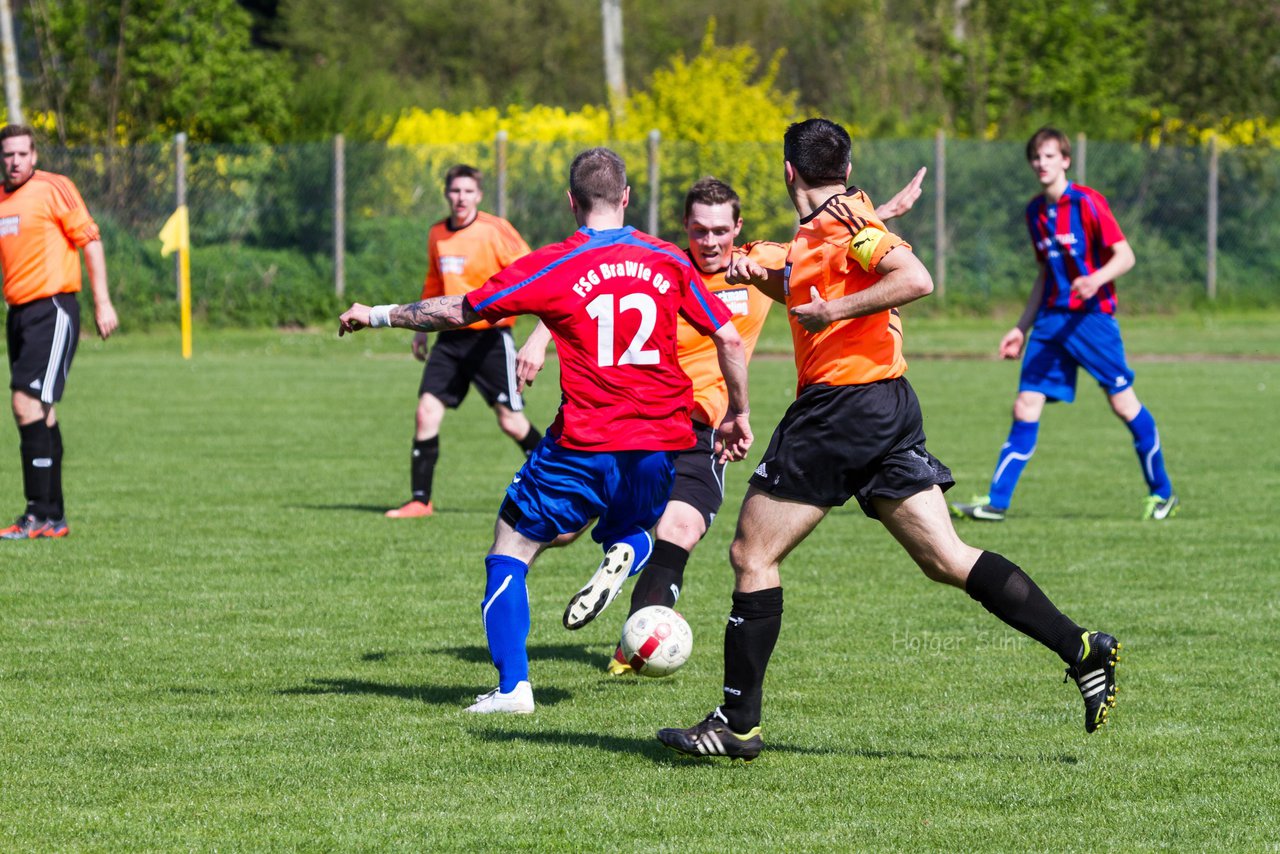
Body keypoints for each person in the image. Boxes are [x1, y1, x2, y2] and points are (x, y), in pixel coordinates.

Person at [657, 119, 1121, 761]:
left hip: (839, 408)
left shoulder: (848, 222)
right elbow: (811, 283)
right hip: (885, 406)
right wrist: (762, 277)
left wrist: (833, 312)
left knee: (750, 554)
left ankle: (737, 723)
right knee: (946, 558)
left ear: (788, 171)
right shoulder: (832, 221)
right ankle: (1081, 648)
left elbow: (915, 278)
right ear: (844, 171)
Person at [339, 147, 753, 714]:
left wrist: (379, 314)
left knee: (510, 546)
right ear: (627, 197)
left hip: (585, 440)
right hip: (663, 442)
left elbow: (463, 310)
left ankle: (513, 689)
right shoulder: (667, 259)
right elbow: (729, 339)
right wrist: (739, 412)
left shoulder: (556, 262)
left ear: (571, 201)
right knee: (632, 523)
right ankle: (627, 547)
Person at [517, 171, 926, 674]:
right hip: (639, 419)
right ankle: (535, 569)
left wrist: (882, 214)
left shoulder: (755, 265)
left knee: (681, 527)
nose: (709, 242)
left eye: (719, 231)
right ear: (684, 229)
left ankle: (634, 647)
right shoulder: (659, 267)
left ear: (739, 229)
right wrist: (538, 338)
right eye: (698, 231)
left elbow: (823, 246)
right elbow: (582, 279)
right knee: (563, 531)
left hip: (700, 427)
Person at [951, 127, 1176, 523]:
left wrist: (1096, 279)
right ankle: (996, 502)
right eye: (1036, 157)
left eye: (1050, 156)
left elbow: (1126, 256)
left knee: (1123, 404)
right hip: (1051, 322)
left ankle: (1163, 493)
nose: (1042, 163)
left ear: (1066, 160)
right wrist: (1021, 328)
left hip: (1092, 320)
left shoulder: (1088, 203)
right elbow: (1043, 275)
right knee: (1025, 405)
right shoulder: (1035, 212)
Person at [384, 164, 542, 519]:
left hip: (490, 339)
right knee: (426, 412)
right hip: (450, 341)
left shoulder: (495, 230)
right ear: (446, 193)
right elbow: (433, 283)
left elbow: (532, 271)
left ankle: (564, 480)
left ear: (479, 196)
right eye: (455, 191)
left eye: (468, 191)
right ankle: (420, 501)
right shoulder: (436, 233)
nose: (461, 198)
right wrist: (418, 329)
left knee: (511, 422)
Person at [0, 124, 118, 540]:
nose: (14, 162)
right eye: (7, 155)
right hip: (18, 314)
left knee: (24, 402)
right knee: (42, 411)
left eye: (21, 154)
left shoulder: (54, 188)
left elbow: (90, 239)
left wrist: (102, 301)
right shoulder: (1, 200)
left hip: (53, 308)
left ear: (34, 156)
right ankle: (54, 517)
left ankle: (35, 514)